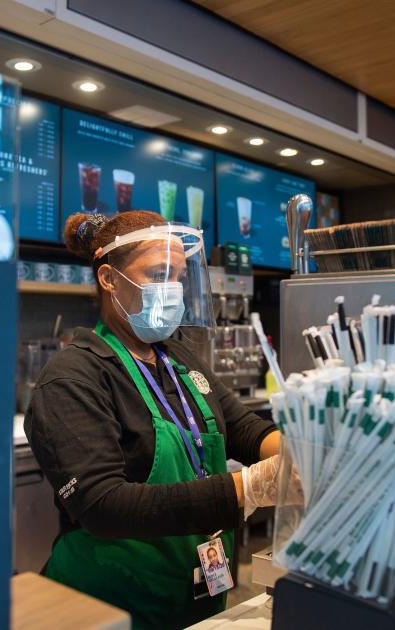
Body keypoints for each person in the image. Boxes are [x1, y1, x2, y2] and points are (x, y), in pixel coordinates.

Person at [24, 210, 290, 629]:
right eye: (157, 274)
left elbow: (243, 430)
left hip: (192, 600)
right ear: (109, 278)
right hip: (109, 606)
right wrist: (251, 486)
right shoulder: (73, 377)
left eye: (179, 277)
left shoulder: (178, 357)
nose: (172, 289)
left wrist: (298, 459)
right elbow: (104, 505)